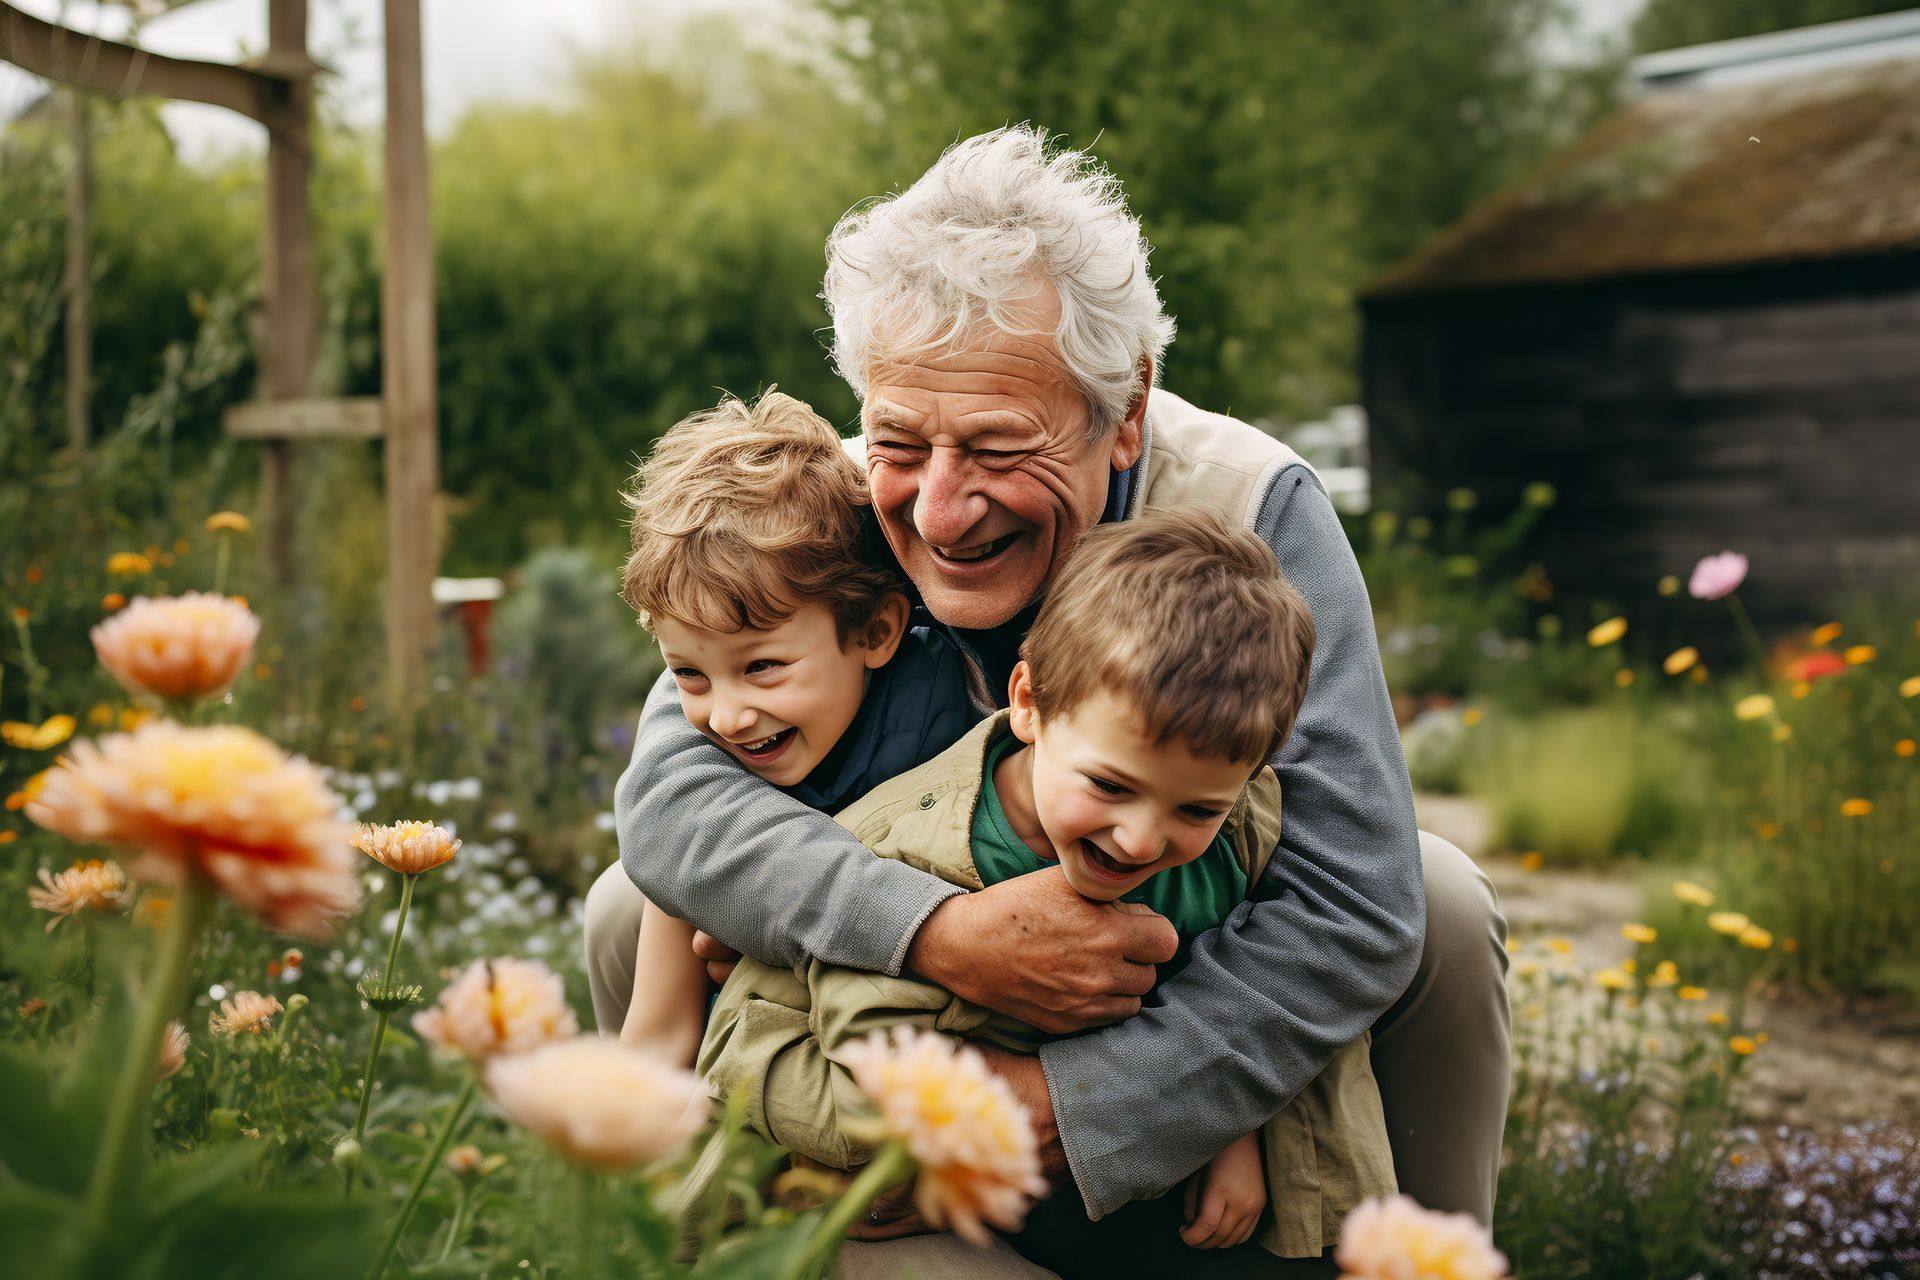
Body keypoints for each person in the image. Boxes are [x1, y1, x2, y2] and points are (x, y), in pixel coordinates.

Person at [585, 126, 1510, 1273]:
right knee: (632, 904)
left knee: (1438, 899)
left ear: (1124, 411)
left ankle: (1422, 1253)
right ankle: (730, 1234)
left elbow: (1352, 898)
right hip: (903, 1014)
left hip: (1149, 997)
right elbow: (672, 798)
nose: (939, 511)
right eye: (900, 439)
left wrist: (1060, 1105)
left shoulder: (1248, 506)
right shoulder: (833, 504)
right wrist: (935, 935)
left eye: (996, 446)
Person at [701, 512, 1397, 1271]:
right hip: (885, 1171)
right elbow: (871, 1064)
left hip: (1112, 1156)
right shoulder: (920, 854)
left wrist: (1229, 1128)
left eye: (1196, 809)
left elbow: (1251, 990)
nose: (1141, 840)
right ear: (1028, 704)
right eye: (1109, 786)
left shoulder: (1238, 830)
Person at [605, 389, 975, 1055]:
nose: (726, 717)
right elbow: (659, 1040)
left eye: (763, 667)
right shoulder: (718, 812)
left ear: (876, 632)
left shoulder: (957, 718)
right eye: (688, 674)